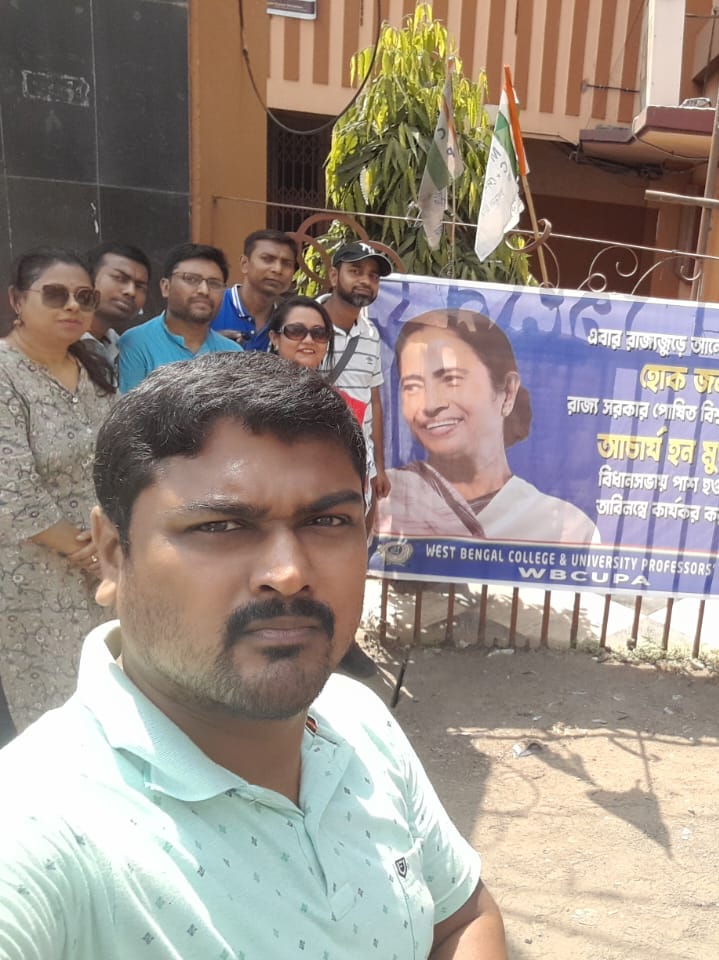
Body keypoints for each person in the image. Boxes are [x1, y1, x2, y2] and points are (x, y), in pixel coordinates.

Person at [0, 352, 509, 958]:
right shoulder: (38, 827)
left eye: (328, 520)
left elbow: (460, 915)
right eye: (221, 526)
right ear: (114, 553)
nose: (288, 572)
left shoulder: (357, 720)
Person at [0, 248, 115, 740]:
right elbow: (12, 491)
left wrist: (112, 551)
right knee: (53, 715)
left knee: (109, 700)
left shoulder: (93, 369)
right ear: (17, 301)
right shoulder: (5, 373)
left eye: (84, 297)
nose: (72, 305)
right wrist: (93, 554)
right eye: (55, 294)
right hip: (34, 575)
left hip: (108, 568)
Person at [377, 308, 600, 543]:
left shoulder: (564, 527)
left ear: (508, 392)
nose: (430, 404)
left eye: (451, 379)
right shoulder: (383, 499)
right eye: (412, 386)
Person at [266, 294, 380, 679]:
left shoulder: (335, 400)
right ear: (275, 337)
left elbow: (355, 457)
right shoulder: (250, 394)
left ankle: (331, 650)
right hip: (270, 518)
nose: (308, 340)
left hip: (321, 517)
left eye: (318, 333)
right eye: (296, 331)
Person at [322, 241, 393, 509]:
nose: (365, 280)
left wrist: (379, 467)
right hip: (314, 457)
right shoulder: (304, 325)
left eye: (373, 276)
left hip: (360, 462)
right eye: (355, 271)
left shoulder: (371, 335)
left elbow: (373, 401)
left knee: (359, 530)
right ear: (333, 276)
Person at [117, 243, 241, 392]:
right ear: (165, 287)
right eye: (191, 279)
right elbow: (130, 406)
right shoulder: (136, 343)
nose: (204, 291)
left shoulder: (233, 353)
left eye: (214, 283)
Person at [212, 229, 300, 350]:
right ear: (244, 264)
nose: (278, 269)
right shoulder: (212, 304)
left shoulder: (289, 319)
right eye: (267, 259)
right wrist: (209, 343)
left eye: (286, 264)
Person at [82, 242, 151, 365]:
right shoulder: (58, 342)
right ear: (87, 278)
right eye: (120, 278)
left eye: (140, 286)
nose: (131, 291)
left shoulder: (124, 347)